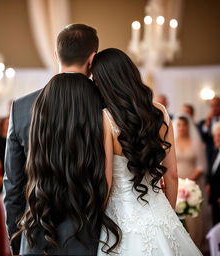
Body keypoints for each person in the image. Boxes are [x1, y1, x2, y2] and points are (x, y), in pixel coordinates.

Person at [91, 48, 202, 255]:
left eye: (96, 80)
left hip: (121, 220)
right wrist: (166, 216)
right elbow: (172, 176)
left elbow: (105, 183)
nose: (95, 85)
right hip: (160, 211)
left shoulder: (105, 118)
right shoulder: (159, 111)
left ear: (107, 81)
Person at [3, 24, 100, 255]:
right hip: (93, 237)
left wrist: (16, 240)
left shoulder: (21, 107)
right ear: (92, 59)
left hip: (36, 237)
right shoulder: (108, 105)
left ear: (56, 55)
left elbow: (13, 185)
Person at [14, 73, 120, 255]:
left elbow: (13, 188)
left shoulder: (40, 140)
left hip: (38, 229)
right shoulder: (97, 133)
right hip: (88, 232)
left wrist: (15, 240)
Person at [173, 115, 206, 248]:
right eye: (179, 125)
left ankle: (194, 245)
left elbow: (201, 166)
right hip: (175, 184)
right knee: (178, 216)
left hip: (191, 184)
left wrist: (188, 181)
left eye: (184, 125)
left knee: (191, 217)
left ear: (188, 126)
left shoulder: (195, 142)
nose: (181, 128)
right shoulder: (172, 141)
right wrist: (177, 182)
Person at [198, 97, 220, 166]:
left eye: (217, 105)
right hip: (210, 153)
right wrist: (207, 125)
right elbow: (202, 138)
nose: (214, 108)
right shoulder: (203, 122)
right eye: (212, 106)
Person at [206, 121, 220, 225]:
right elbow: (211, 172)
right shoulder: (215, 151)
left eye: (219, 135)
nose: (216, 138)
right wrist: (208, 184)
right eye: (215, 136)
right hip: (215, 197)